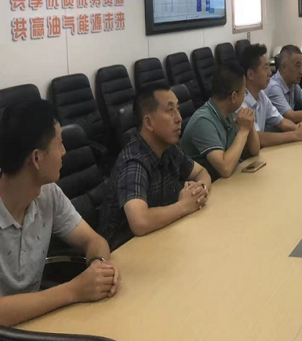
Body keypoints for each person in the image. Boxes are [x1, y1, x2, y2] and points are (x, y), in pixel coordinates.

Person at [0, 100, 121, 326]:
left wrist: (100, 266)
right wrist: (74, 290)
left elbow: (93, 240)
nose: (64, 152)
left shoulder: (48, 194)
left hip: (38, 323)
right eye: (60, 144)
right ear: (37, 158)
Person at [98, 84, 212, 251]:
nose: (179, 118)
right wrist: (184, 206)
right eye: (170, 111)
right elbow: (140, 221)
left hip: (162, 237)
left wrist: (199, 190)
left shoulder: (169, 148)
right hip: (125, 252)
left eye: (178, 109)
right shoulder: (133, 162)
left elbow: (202, 172)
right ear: (149, 122)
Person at [180, 64, 261, 181]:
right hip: (207, 187)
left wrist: (249, 124)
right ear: (234, 96)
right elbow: (225, 169)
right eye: (244, 92)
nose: (245, 96)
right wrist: (243, 130)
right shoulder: (203, 121)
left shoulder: (229, 113)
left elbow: (254, 151)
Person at [240, 43, 302, 148]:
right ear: (250, 74)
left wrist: (297, 128)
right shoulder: (241, 103)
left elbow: (281, 121)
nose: (270, 73)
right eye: (265, 68)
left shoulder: (261, 95)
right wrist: (295, 135)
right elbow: (259, 138)